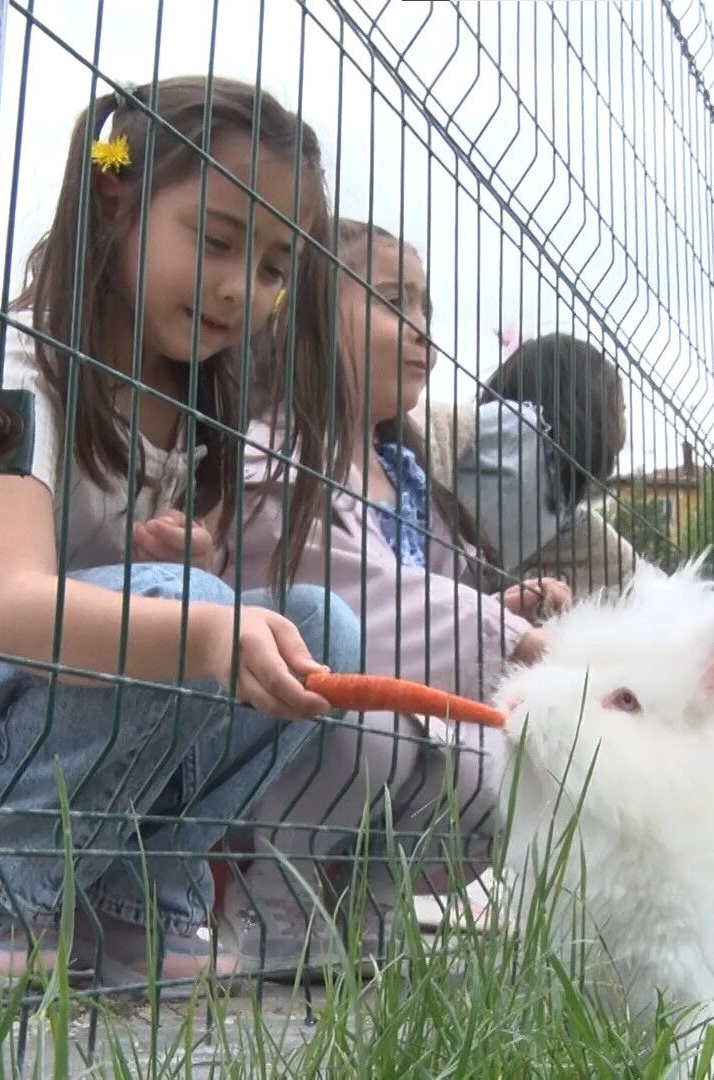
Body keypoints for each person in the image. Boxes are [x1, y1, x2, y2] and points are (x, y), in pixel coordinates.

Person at [0, 75, 364, 990]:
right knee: (202, 617)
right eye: (215, 242)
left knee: (316, 630)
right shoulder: (23, 366)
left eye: (270, 267)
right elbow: (12, 608)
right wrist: (195, 614)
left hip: (50, 720)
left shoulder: (191, 406)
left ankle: (130, 898)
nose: (237, 288)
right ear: (115, 197)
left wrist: (176, 575)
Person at [217, 219, 561, 975]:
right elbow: (351, 596)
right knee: (372, 730)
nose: (421, 331)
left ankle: (361, 895)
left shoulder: (403, 476)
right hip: (281, 732)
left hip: (380, 725)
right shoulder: (271, 465)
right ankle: (272, 891)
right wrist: (502, 637)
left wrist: (502, 607)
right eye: (391, 300)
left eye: (426, 308)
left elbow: (423, 598)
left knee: (514, 763)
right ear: (306, 319)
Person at [424, 331, 644, 599]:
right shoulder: (521, 428)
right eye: (618, 405)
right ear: (587, 406)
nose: (623, 416)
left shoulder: (563, 511)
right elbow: (433, 424)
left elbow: (625, 568)